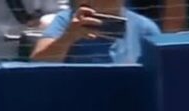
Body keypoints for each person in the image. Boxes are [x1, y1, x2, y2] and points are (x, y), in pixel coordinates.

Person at [30, 0, 160, 63]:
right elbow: (37, 64)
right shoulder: (67, 20)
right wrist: (68, 37)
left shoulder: (145, 28)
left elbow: (162, 75)